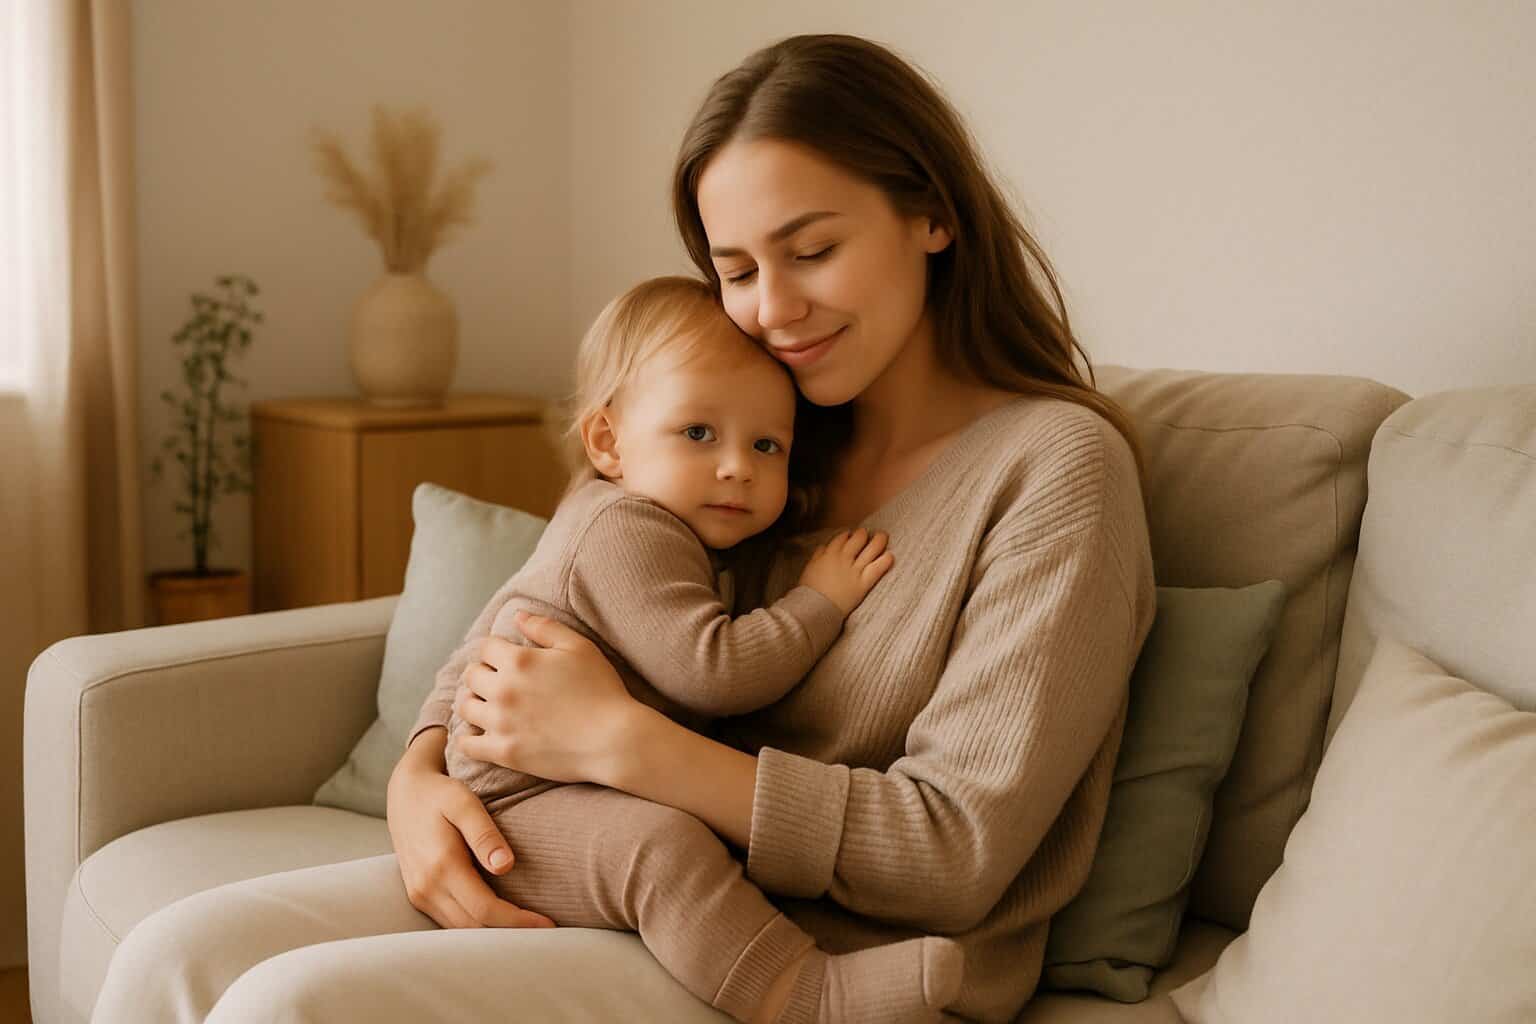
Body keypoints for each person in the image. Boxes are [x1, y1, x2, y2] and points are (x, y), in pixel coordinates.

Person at [90, 33, 1155, 1024]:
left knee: (288, 1007)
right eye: (737, 271)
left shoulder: (1055, 469)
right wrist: (422, 775)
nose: (772, 310)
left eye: (812, 250)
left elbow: (955, 851)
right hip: (613, 868)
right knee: (171, 955)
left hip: (826, 957)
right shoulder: (761, 439)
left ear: (933, 215)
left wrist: (624, 743)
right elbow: (536, 601)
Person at [426, 273, 956, 1023]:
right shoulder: (627, 529)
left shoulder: (648, 521)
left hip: (562, 787)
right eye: (698, 433)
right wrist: (821, 600)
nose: (738, 466)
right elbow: (715, 672)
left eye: (766, 444)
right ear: (608, 441)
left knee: (677, 839)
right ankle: (805, 996)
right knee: (663, 850)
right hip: (516, 809)